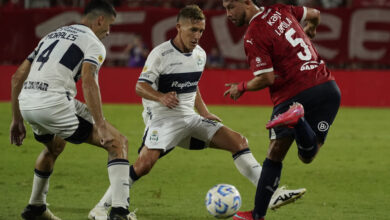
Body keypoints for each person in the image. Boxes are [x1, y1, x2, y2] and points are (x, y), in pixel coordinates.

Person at [88, 4, 306, 219]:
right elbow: (140, 86)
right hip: (164, 120)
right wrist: (161, 97)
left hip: (191, 119)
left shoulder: (199, 54)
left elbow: (194, 86)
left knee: (239, 142)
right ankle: (101, 207)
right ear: (179, 28)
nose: (197, 35)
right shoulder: (160, 54)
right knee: (144, 165)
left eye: (201, 30)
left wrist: (205, 112)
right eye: (193, 30)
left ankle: (273, 193)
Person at [9, 1, 136, 219]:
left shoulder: (51, 36)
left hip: (28, 102)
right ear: (100, 20)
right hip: (54, 103)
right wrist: (101, 125)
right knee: (118, 143)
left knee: (54, 146)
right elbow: (88, 82)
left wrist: (17, 119)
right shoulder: (93, 43)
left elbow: (17, 77)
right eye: (110, 25)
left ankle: (35, 207)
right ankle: (119, 212)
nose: (109, 32)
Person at [222, 0, 341, 219]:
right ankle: (299, 122)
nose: (227, 13)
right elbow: (314, 13)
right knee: (308, 153)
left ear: (247, 2)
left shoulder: (253, 35)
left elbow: (266, 78)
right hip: (327, 89)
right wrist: (311, 29)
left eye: (231, 6)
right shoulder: (281, 9)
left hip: (293, 93)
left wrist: (241, 87)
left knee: (274, 153)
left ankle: (257, 215)